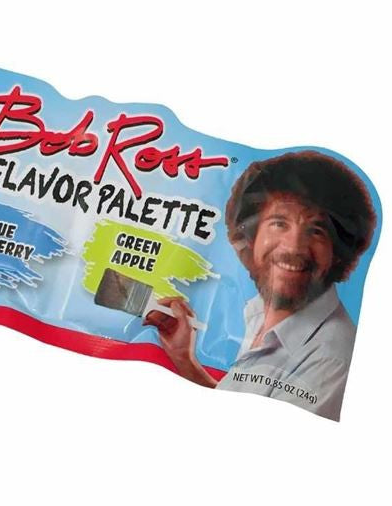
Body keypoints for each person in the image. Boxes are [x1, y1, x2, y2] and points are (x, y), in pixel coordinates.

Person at [145, 151, 376, 420]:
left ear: (339, 253)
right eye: (279, 223)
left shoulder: (331, 359)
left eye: (316, 231)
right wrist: (185, 359)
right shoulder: (258, 315)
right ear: (250, 237)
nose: (293, 247)